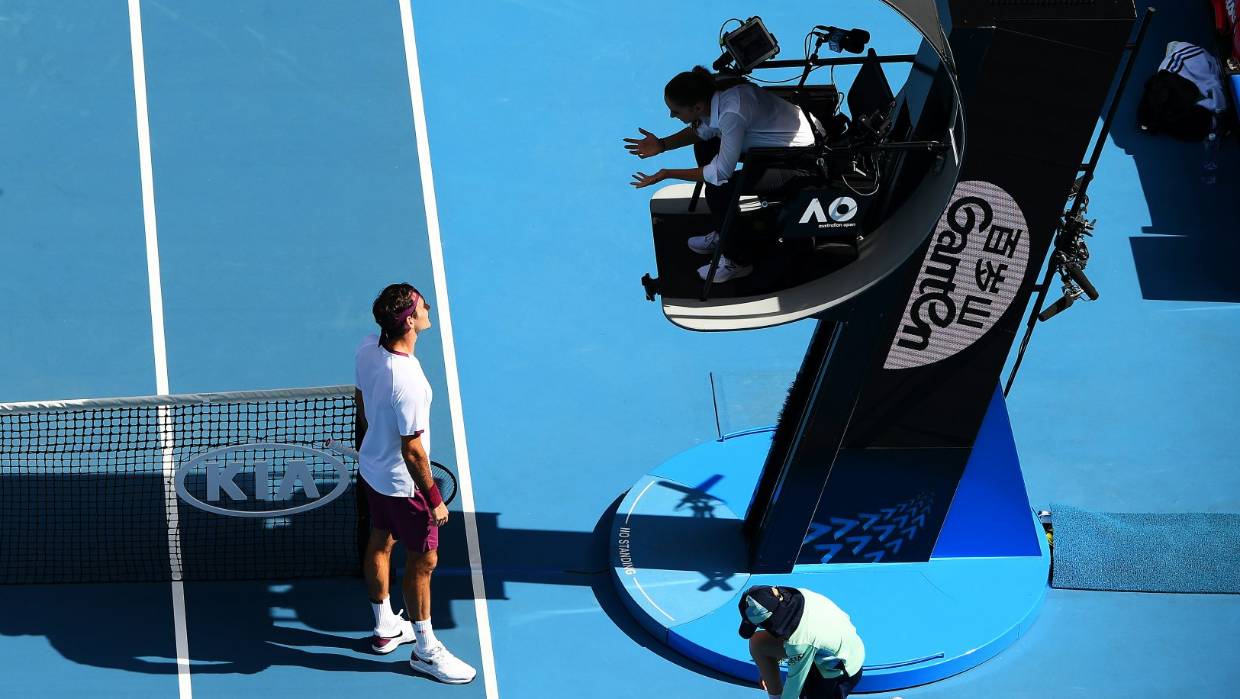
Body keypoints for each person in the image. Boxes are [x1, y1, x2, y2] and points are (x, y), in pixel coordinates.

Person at [354, 282, 476, 684]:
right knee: (423, 563)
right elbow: (414, 452)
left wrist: (369, 449)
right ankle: (425, 651)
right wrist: (435, 499)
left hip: (373, 471)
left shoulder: (367, 348)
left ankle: (384, 626)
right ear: (409, 320)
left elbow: (361, 403)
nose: (428, 308)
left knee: (380, 539)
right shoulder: (408, 381)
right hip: (405, 487)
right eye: (423, 305)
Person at [626, 66, 821, 282]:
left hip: (797, 161)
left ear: (697, 107)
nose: (671, 115)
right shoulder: (715, 96)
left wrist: (667, 173)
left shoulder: (731, 114)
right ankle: (726, 228)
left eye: (676, 111)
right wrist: (662, 145)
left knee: (720, 191)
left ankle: (738, 261)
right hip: (770, 144)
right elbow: (702, 132)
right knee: (704, 148)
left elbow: (721, 172)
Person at [739, 585, 865, 699]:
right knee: (758, 642)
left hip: (840, 670)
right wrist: (770, 668)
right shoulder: (794, 596)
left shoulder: (799, 641)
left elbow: (793, 689)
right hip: (822, 646)